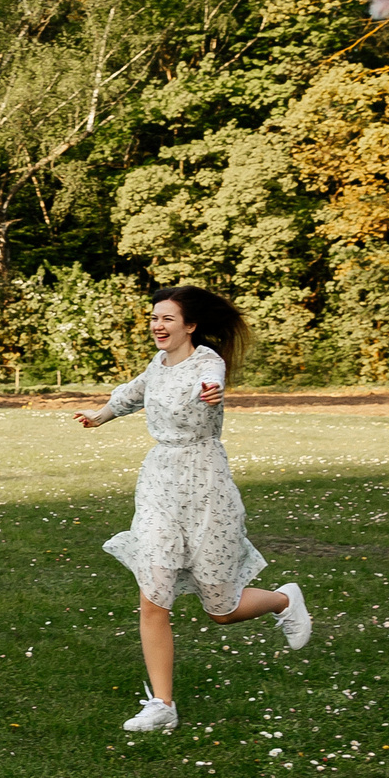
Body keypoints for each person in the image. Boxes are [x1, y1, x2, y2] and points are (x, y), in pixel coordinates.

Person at [76, 285, 311, 733]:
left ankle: (284, 599)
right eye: (153, 318)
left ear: (191, 325)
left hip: (206, 484)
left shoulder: (207, 362)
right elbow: (131, 394)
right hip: (160, 482)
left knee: (220, 607)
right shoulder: (157, 366)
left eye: (166, 318)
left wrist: (212, 392)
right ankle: (162, 706)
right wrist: (98, 415)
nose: (157, 325)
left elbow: (213, 383)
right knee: (153, 589)